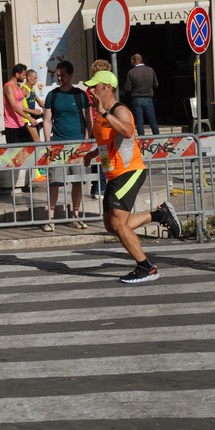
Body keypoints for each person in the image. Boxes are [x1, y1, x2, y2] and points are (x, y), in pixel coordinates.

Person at [83, 70, 181, 284]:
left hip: (130, 172)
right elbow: (106, 142)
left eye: (95, 87)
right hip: (114, 173)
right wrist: (93, 154)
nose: (91, 91)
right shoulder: (101, 113)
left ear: (107, 88)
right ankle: (159, 215)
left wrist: (105, 113)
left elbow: (128, 131)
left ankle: (146, 267)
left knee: (119, 223)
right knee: (111, 224)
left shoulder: (120, 110)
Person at [42, 60, 91, 231]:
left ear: (71, 75)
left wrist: (85, 141)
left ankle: (75, 215)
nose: (59, 78)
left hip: (78, 145)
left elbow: (88, 120)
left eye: (62, 75)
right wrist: (48, 142)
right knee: (55, 182)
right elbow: (47, 120)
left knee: (77, 181)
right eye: (58, 75)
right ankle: (51, 218)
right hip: (57, 146)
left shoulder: (80, 95)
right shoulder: (52, 95)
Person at [86, 59, 110, 199]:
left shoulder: (92, 88)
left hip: (100, 124)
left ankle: (97, 185)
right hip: (100, 125)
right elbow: (89, 111)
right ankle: (100, 186)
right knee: (103, 155)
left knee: (101, 155)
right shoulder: (93, 89)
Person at [3, 64, 41, 144]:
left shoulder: (18, 86)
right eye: (23, 75)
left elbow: (21, 105)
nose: (25, 77)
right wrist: (30, 117)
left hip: (21, 123)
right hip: (11, 126)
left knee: (29, 148)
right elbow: (14, 106)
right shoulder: (8, 86)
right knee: (15, 154)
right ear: (17, 74)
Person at [124, 54, 160, 136]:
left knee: (139, 121)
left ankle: (141, 139)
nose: (131, 63)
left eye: (131, 61)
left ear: (135, 61)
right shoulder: (150, 70)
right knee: (152, 120)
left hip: (136, 98)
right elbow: (156, 84)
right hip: (148, 98)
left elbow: (128, 88)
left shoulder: (131, 72)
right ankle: (158, 137)